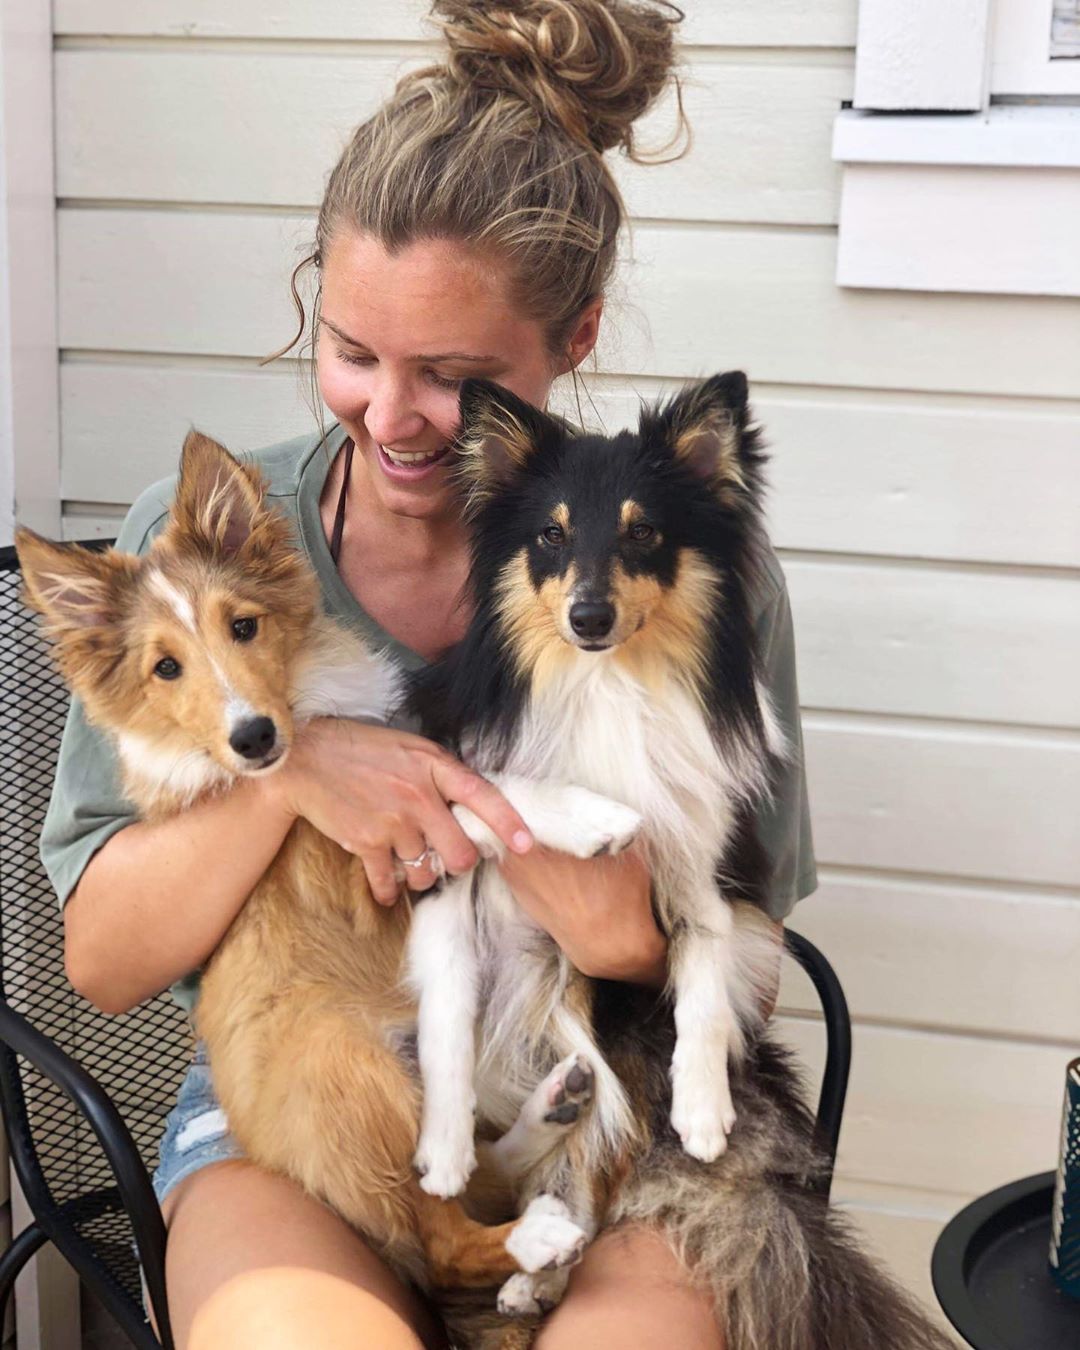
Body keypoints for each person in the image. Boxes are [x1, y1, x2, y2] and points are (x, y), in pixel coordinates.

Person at [40, 2, 816, 1346]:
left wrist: (616, 932)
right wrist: (296, 770)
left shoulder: (680, 569)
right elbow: (102, 959)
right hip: (300, 1102)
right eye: (352, 350)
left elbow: (735, 932)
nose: (390, 416)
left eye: (451, 375)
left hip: (592, 1068)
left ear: (571, 339)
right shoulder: (205, 563)